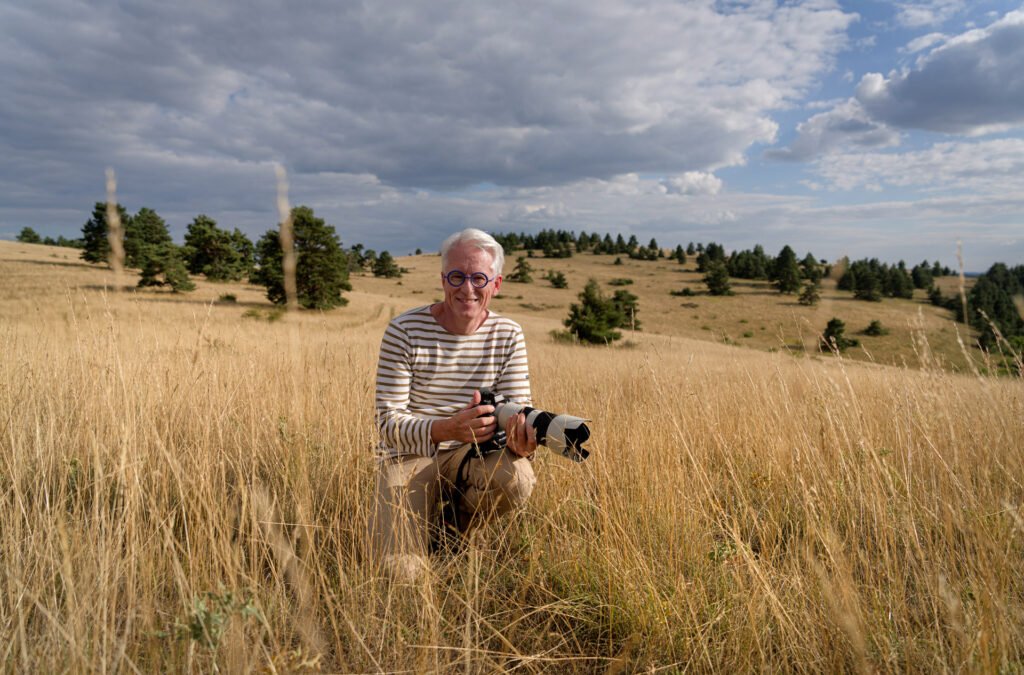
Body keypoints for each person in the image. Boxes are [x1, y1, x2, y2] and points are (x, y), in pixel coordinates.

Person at [370, 228, 538, 580]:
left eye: (479, 278)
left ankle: (453, 531)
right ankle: (426, 525)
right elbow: (387, 424)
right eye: (457, 277)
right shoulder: (404, 330)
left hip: (472, 454)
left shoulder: (508, 334)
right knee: (401, 574)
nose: (467, 289)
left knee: (518, 477)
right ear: (443, 279)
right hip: (407, 457)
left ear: (496, 284)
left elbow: (518, 409)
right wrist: (446, 429)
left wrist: (520, 440)